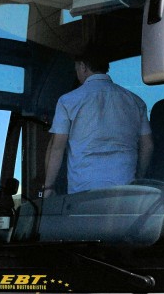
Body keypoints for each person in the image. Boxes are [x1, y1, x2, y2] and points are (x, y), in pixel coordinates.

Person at [42, 57, 153, 196]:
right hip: (125, 192)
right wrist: (139, 177)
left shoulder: (68, 101)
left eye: (76, 68)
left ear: (83, 66)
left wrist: (48, 187)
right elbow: (147, 146)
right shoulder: (135, 101)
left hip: (82, 195)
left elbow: (57, 147)